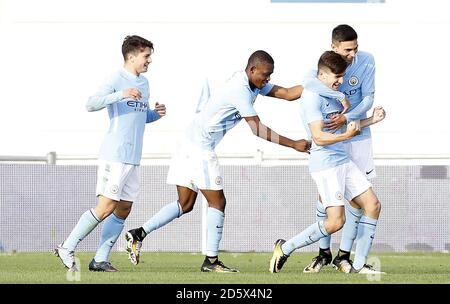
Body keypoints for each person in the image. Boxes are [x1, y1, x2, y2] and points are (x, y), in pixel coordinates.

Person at [125, 50, 310, 273]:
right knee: (218, 202)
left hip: (188, 142)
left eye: (270, 75)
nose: (267, 79)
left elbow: (289, 93)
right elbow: (258, 130)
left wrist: (317, 83)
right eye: (265, 75)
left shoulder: (253, 83)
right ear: (252, 70)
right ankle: (211, 262)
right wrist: (294, 144)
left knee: (184, 204)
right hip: (199, 148)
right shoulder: (240, 90)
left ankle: (138, 234)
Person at [54, 35, 166, 272]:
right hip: (114, 155)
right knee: (106, 206)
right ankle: (67, 246)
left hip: (133, 157)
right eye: (146, 56)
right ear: (132, 56)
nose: (149, 61)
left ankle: (100, 259)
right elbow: (91, 103)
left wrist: (155, 114)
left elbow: (139, 116)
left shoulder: (144, 83)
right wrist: (121, 94)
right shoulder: (116, 79)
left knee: (124, 208)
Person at [269, 51, 385, 274]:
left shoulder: (333, 91)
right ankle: (285, 248)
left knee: (373, 205)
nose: (341, 82)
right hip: (326, 166)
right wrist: (346, 137)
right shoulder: (311, 97)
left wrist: (372, 120)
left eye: (342, 77)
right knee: (335, 222)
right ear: (322, 75)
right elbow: (319, 137)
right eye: (337, 77)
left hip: (343, 160)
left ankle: (358, 266)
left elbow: (341, 126)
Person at [302, 24, 382, 273]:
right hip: (331, 141)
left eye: (355, 48)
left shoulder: (367, 61)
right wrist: (340, 99)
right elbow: (308, 83)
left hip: (357, 136)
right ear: (333, 47)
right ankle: (323, 254)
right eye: (347, 49)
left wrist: (348, 118)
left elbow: (368, 98)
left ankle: (344, 256)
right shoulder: (324, 68)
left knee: (360, 198)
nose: (353, 54)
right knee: (326, 197)